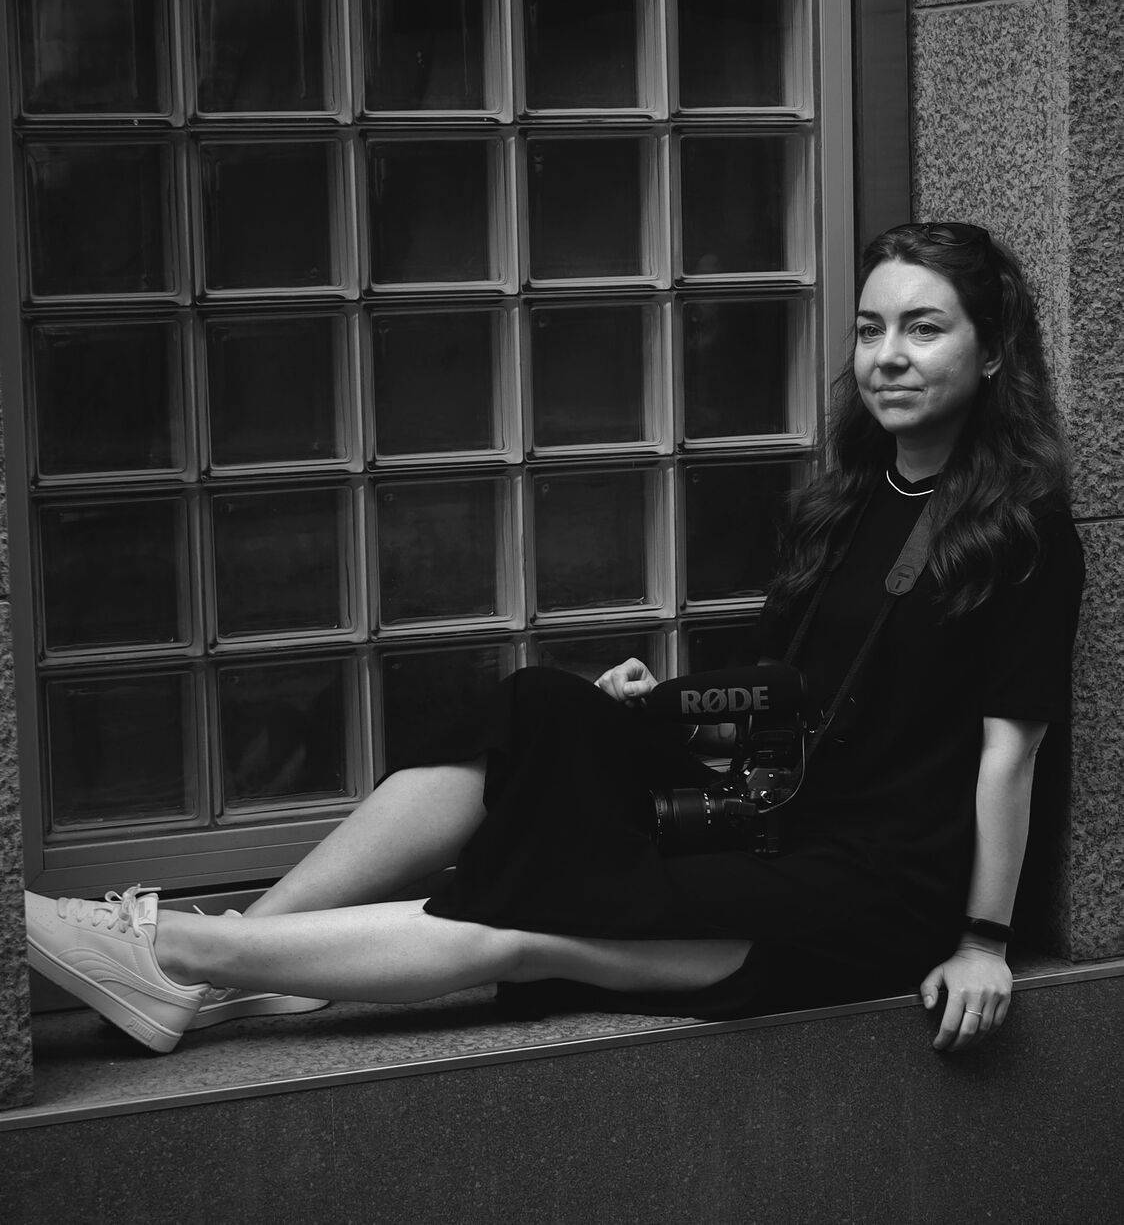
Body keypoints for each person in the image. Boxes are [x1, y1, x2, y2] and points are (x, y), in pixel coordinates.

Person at [25, 222, 1085, 1057]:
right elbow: (807, 688)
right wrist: (667, 706)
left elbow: (1010, 755)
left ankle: (175, 948)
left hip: (866, 887)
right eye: (868, 329)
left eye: (922, 330)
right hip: (764, 808)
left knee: (538, 917)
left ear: (992, 352)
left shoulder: (1021, 531)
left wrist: (981, 942)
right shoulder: (849, 498)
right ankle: (242, 962)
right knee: (540, 706)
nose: (886, 357)